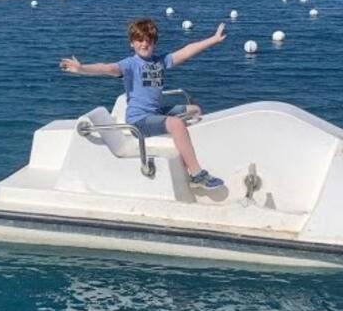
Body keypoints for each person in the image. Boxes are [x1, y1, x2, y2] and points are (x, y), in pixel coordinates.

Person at [59, 17, 226, 190]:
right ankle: (196, 173)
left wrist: (213, 39)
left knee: (195, 110)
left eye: (149, 40)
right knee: (176, 124)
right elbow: (107, 67)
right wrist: (82, 69)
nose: (144, 44)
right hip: (139, 120)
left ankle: (184, 154)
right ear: (132, 43)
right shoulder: (130, 65)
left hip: (155, 112)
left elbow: (186, 51)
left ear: (154, 43)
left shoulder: (160, 61)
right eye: (139, 40)